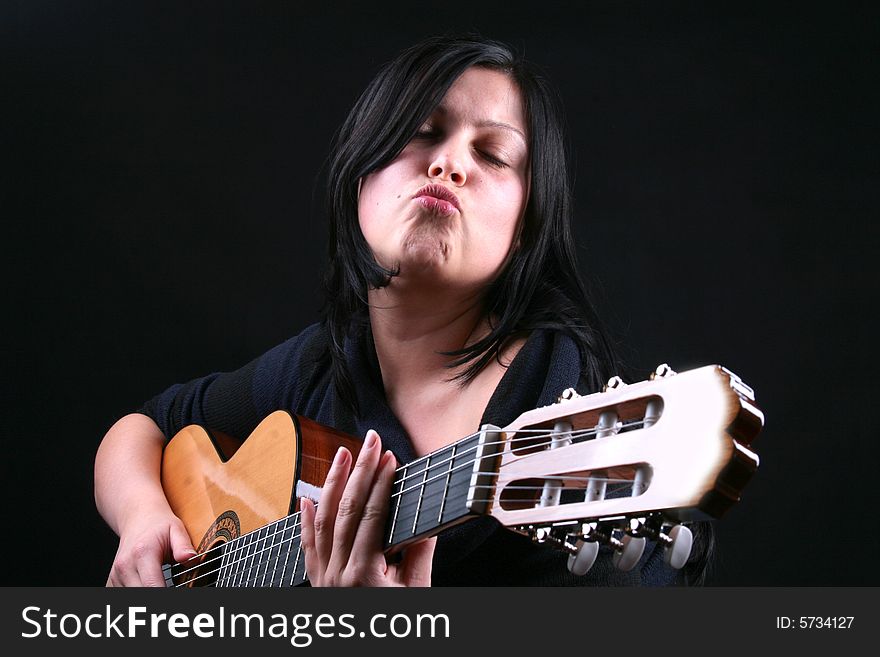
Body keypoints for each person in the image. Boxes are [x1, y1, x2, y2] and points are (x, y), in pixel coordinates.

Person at [94, 34, 712, 587]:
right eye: (421, 133)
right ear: (360, 171)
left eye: (493, 155)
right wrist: (144, 518)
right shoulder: (320, 365)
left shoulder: (572, 422)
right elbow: (140, 430)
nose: (448, 164)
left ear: (527, 226)